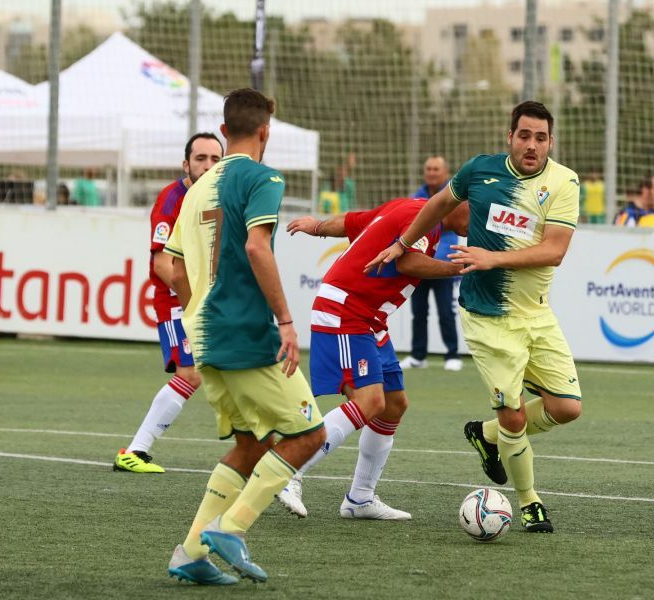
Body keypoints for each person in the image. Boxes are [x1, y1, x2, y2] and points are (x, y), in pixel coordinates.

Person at [364, 101, 583, 534]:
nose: (532, 145)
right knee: (515, 415)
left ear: (550, 142)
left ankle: (485, 435)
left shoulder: (564, 182)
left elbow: (554, 251)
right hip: (487, 318)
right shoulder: (480, 171)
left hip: (536, 314)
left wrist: (490, 257)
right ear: (510, 137)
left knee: (567, 408)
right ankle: (530, 502)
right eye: (524, 135)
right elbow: (438, 204)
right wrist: (403, 243)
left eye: (541, 137)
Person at [163, 88, 326, 586]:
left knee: (249, 444)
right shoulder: (263, 177)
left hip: (205, 338)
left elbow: (173, 268)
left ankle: (189, 553)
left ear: (224, 129)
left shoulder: (197, 187)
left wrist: (201, 312)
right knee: (308, 435)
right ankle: (231, 528)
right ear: (264, 132)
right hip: (246, 334)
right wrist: (285, 320)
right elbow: (258, 247)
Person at [277, 198, 469, 519]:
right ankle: (287, 467)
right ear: (459, 200)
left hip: (369, 319)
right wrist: (459, 268)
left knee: (393, 404)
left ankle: (360, 499)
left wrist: (318, 227)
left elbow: (355, 221)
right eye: (478, 210)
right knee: (369, 401)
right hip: (347, 309)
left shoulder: (411, 208)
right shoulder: (425, 222)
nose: (478, 222)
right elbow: (407, 262)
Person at [113, 132, 224, 474]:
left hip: (205, 299)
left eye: (215, 159)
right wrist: (194, 303)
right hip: (178, 300)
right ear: (186, 163)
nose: (207, 165)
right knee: (189, 374)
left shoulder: (220, 197)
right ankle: (135, 451)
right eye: (200, 158)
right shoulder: (172, 198)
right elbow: (163, 265)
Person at [400, 156, 463, 372]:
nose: (432, 173)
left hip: (443, 266)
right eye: (428, 169)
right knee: (419, 312)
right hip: (419, 265)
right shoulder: (418, 195)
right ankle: (418, 355)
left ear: (445, 172)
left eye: (436, 169)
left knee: (446, 312)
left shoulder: (453, 194)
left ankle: (452, 354)